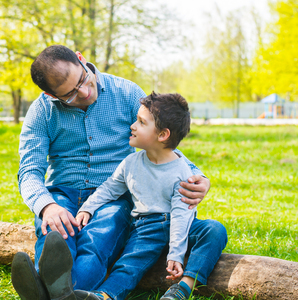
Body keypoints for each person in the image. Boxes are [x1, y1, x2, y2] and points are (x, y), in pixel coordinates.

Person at [12, 45, 218, 300]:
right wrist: (47, 207)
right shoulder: (41, 111)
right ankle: (58, 291)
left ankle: (46, 292)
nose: (85, 93)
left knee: (99, 238)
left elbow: (162, 142)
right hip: (61, 192)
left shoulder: (127, 92)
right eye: (70, 96)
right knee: (56, 234)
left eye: (83, 80)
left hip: (113, 194)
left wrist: (200, 176)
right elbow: (29, 171)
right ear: (50, 94)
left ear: (81, 59)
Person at [74, 92, 227, 300]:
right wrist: (87, 207)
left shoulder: (182, 171)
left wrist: (176, 254)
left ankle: (183, 287)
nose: (132, 126)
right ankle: (105, 296)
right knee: (129, 264)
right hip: (146, 227)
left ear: (162, 135)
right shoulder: (130, 163)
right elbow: (109, 188)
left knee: (215, 230)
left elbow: (181, 216)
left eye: (141, 122)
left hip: (181, 224)